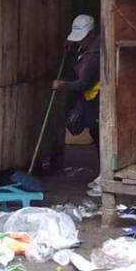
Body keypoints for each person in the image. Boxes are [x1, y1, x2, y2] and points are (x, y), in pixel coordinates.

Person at [52, 14, 102, 196]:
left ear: (91, 34)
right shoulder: (87, 47)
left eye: (81, 39)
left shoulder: (96, 55)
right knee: (95, 134)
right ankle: (102, 173)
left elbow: (84, 83)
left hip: (98, 98)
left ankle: (106, 177)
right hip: (90, 99)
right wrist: (72, 46)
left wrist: (62, 85)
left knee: (100, 135)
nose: (79, 42)